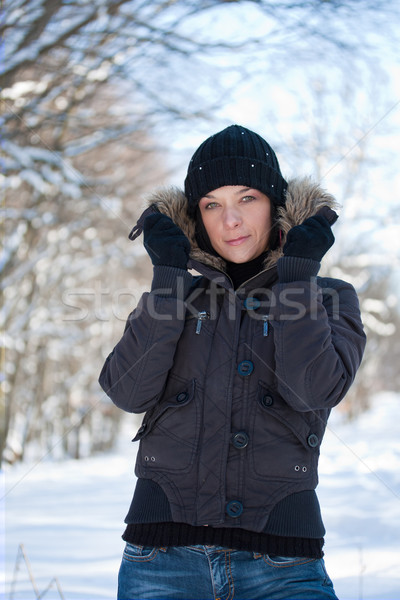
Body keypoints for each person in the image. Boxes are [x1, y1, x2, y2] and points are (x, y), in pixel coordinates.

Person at [99, 124, 366, 600]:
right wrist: (167, 278)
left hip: (283, 564)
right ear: (196, 216)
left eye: (247, 198)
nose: (231, 221)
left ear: (276, 205)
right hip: (161, 560)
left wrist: (297, 277)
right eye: (212, 204)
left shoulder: (330, 297)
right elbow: (127, 391)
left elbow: (314, 391)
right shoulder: (176, 291)